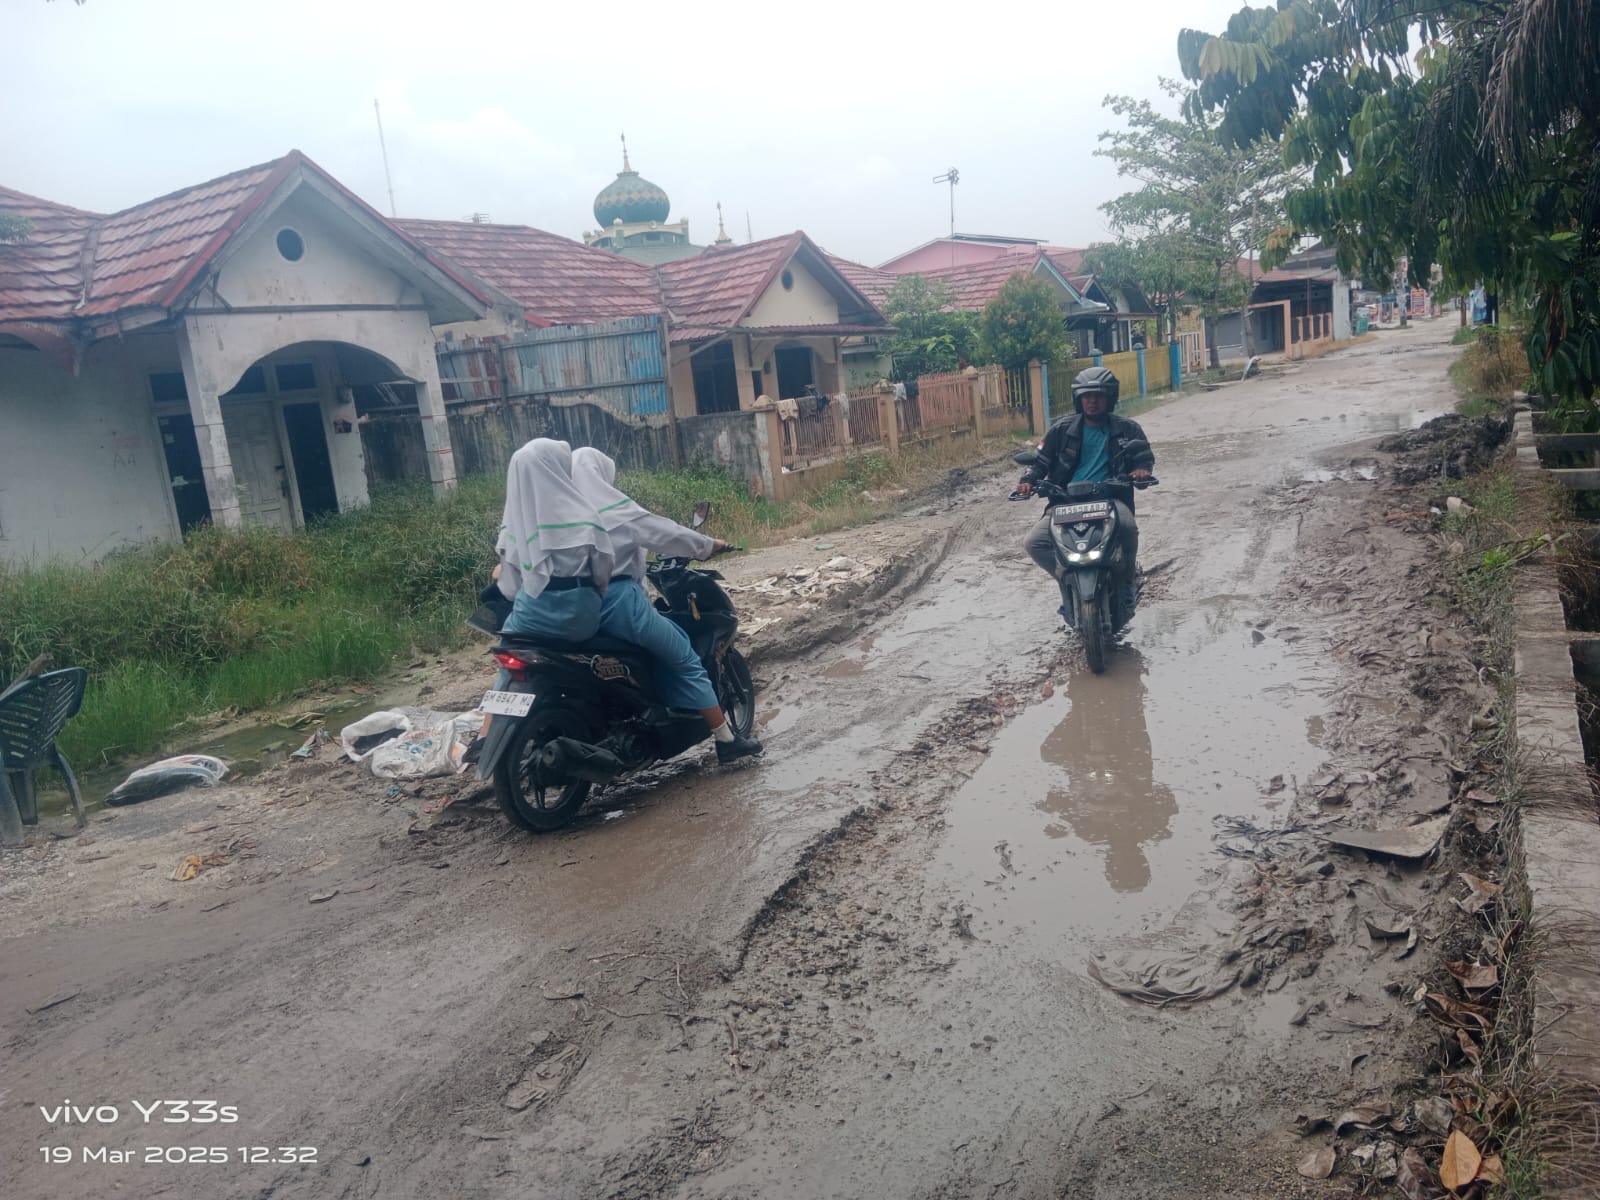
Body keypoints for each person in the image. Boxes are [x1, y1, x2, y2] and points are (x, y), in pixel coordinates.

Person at [570, 447, 763, 765]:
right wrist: (707, 545)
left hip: (576, 608)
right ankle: (727, 740)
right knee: (684, 655)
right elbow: (664, 533)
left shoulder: (560, 514)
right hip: (619, 605)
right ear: (600, 474)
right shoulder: (615, 509)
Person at [1014, 365, 1155, 617]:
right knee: (1034, 542)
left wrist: (1141, 472)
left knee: (1129, 529)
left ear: (1110, 398)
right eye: (1086, 396)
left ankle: (1126, 581)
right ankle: (1067, 581)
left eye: (1098, 395)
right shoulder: (1061, 429)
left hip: (1111, 499)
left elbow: (1143, 458)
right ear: (1078, 399)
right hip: (1065, 501)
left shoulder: (1128, 429)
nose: (1092, 401)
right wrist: (1028, 480)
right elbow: (1040, 462)